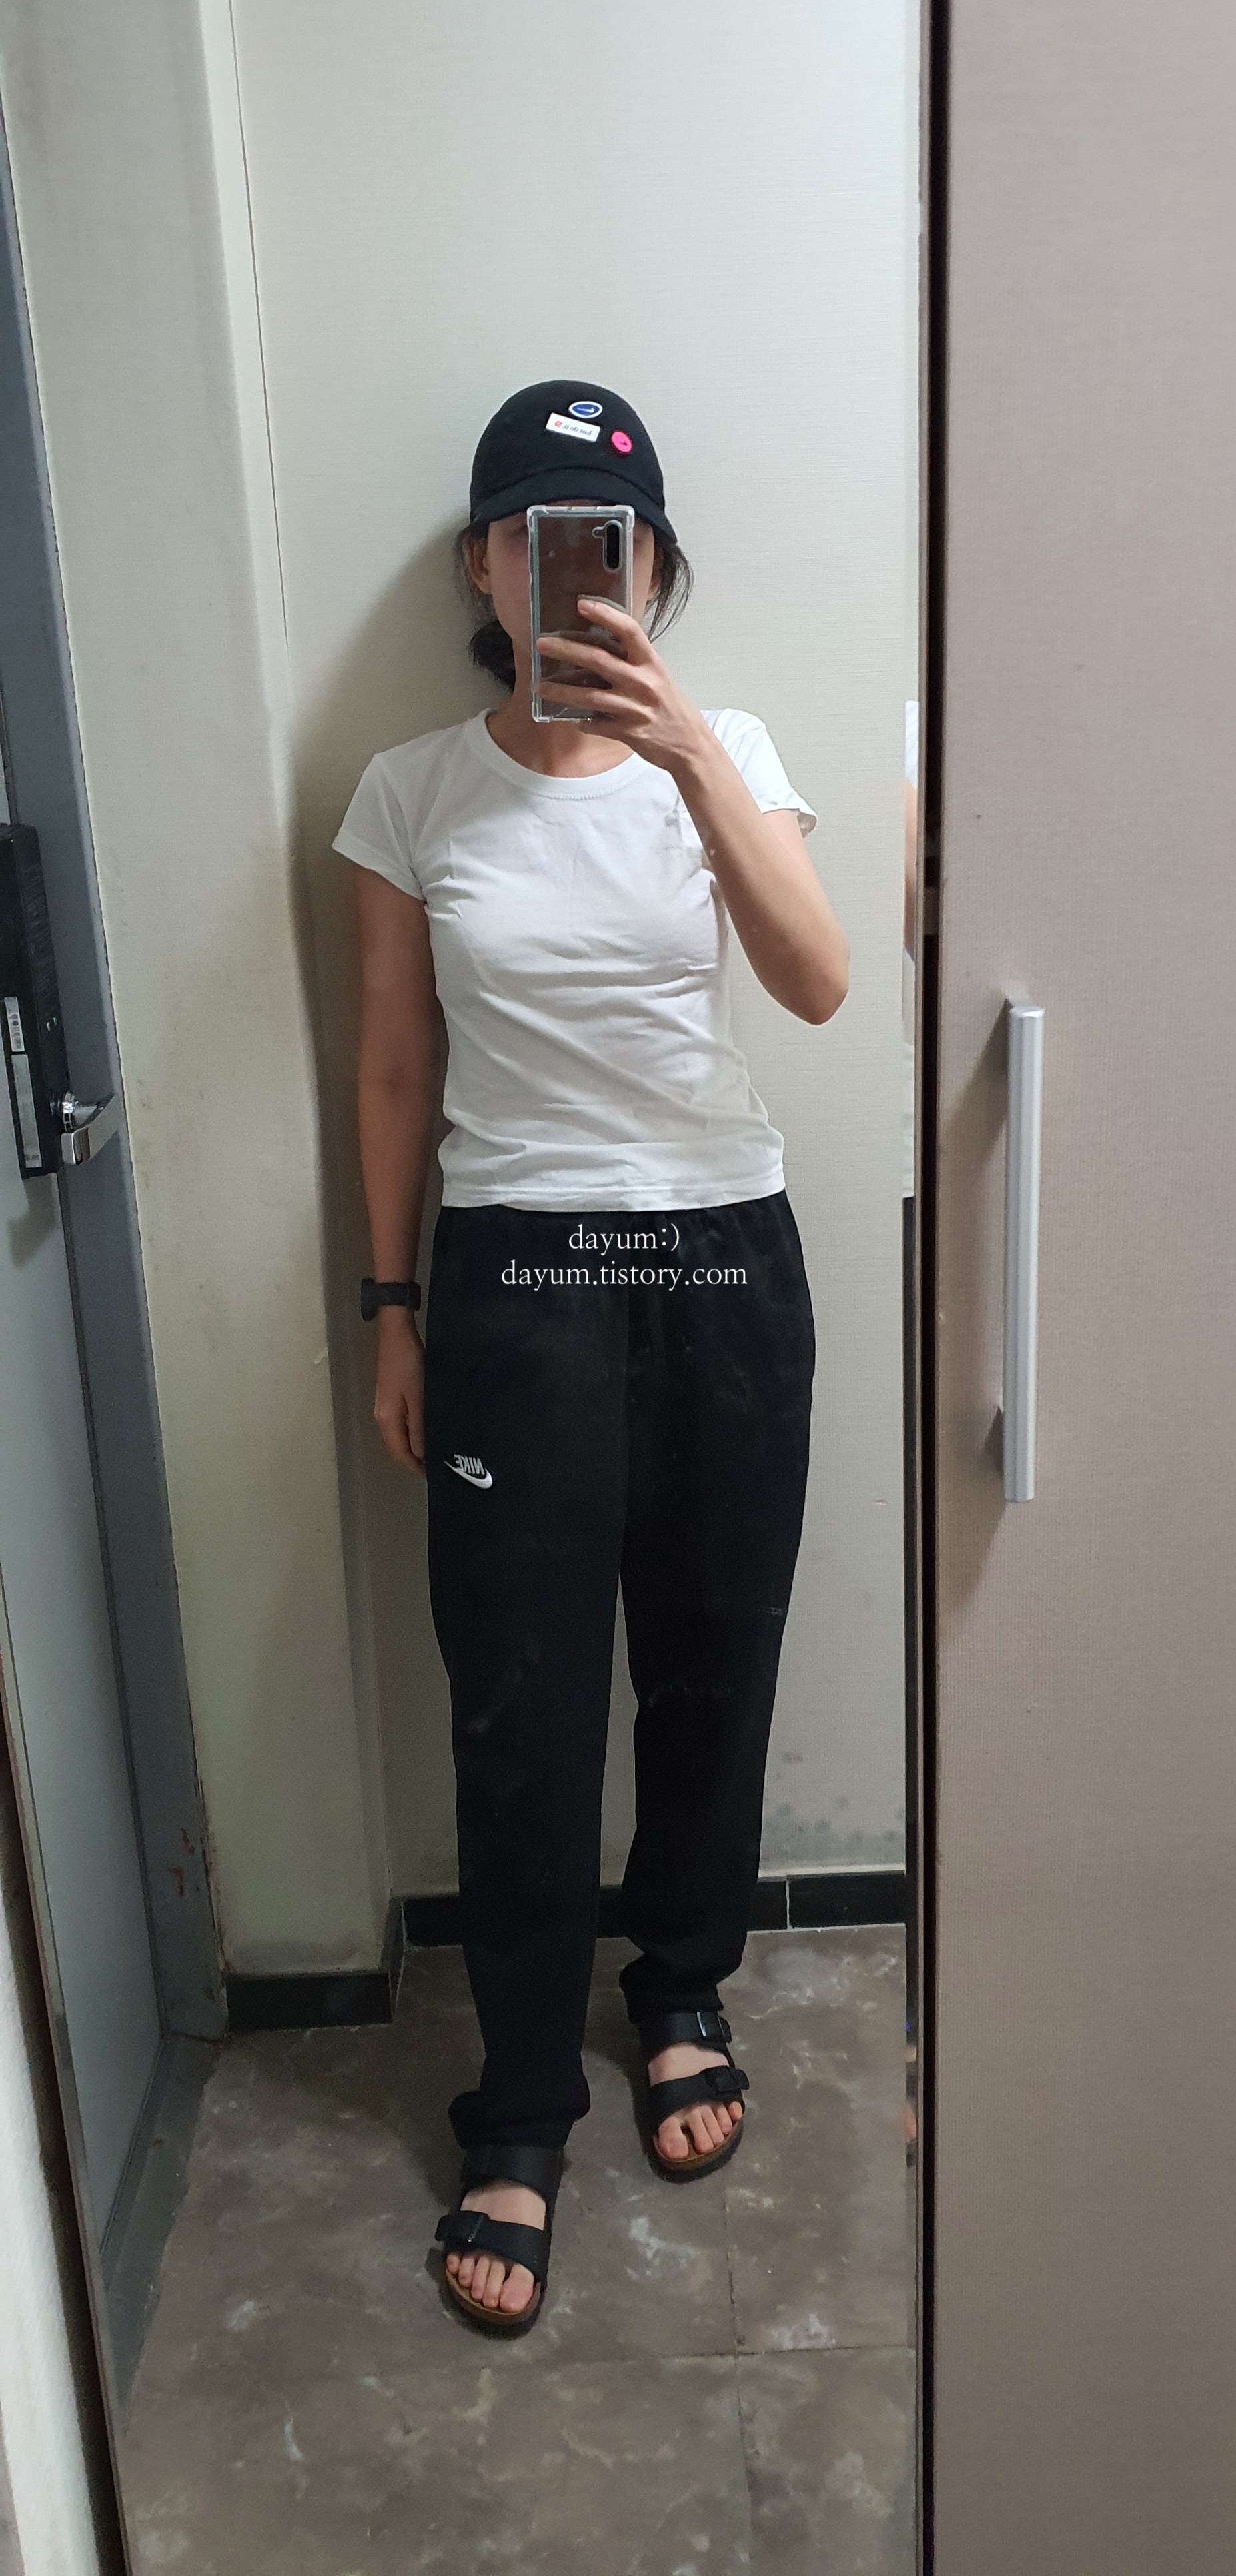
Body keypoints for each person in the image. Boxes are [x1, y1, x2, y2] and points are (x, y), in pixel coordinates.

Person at [332, 380, 849, 2337]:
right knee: (521, 1704)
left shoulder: (733, 752)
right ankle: (523, 2104)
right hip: (516, 1277)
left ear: (650, 567)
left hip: (721, 1259)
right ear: (485, 565)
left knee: (713, 1661)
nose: (575, 565)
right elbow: (395, 1068)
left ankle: (685, 1988)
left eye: (610, 538)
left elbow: (815, 980)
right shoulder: (407, 791)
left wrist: (687, 753)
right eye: (540, 533)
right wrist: (390, 1309)